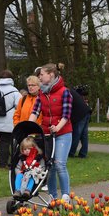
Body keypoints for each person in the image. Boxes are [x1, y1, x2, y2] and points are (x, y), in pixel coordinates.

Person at [29, 63, 73, 204]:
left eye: (42, 74)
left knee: (60, 164)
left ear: (51, 75)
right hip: (47, 133)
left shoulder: (64, 92)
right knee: (50, 166)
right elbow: (35, 111)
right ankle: (53, 196)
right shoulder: (42, 93)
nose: (39, 77)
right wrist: (28, 127)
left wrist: (58, 127)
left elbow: (66, 115)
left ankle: (65, 195)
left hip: (63, 133)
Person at [0, 69, 21, 169]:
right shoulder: (15, 91)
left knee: (3, 141)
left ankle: (4, 161)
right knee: (7, 142)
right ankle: (5, 163)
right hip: (10, 121)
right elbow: (19, 106)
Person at [69, 85, 91, 158]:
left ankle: (71, 153)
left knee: (76, 134)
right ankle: (83, 153)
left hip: (80, 114)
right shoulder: (71, 91)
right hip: (86, 111)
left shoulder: (66, 92)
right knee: (84, 135)